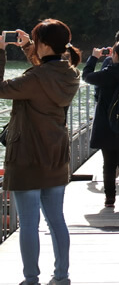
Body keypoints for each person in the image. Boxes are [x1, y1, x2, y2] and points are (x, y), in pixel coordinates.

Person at [0, 19, 81, 285]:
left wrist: (1, 53)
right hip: (56, 155)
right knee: (56, 219)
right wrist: (28, 49)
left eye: (36, 41)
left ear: (44, 45)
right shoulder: (70, 74)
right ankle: (61, 275)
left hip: (26, 157)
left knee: (29, 223)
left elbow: (5, 89)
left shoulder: (34, 79)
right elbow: (46, 75)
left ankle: (31, 278)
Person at [83, 40, 119, 210]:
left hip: (106, 124)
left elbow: (86, 76)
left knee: (109, 164)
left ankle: (109, 199)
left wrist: (94, 58)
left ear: (114, 54)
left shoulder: (107, 74)